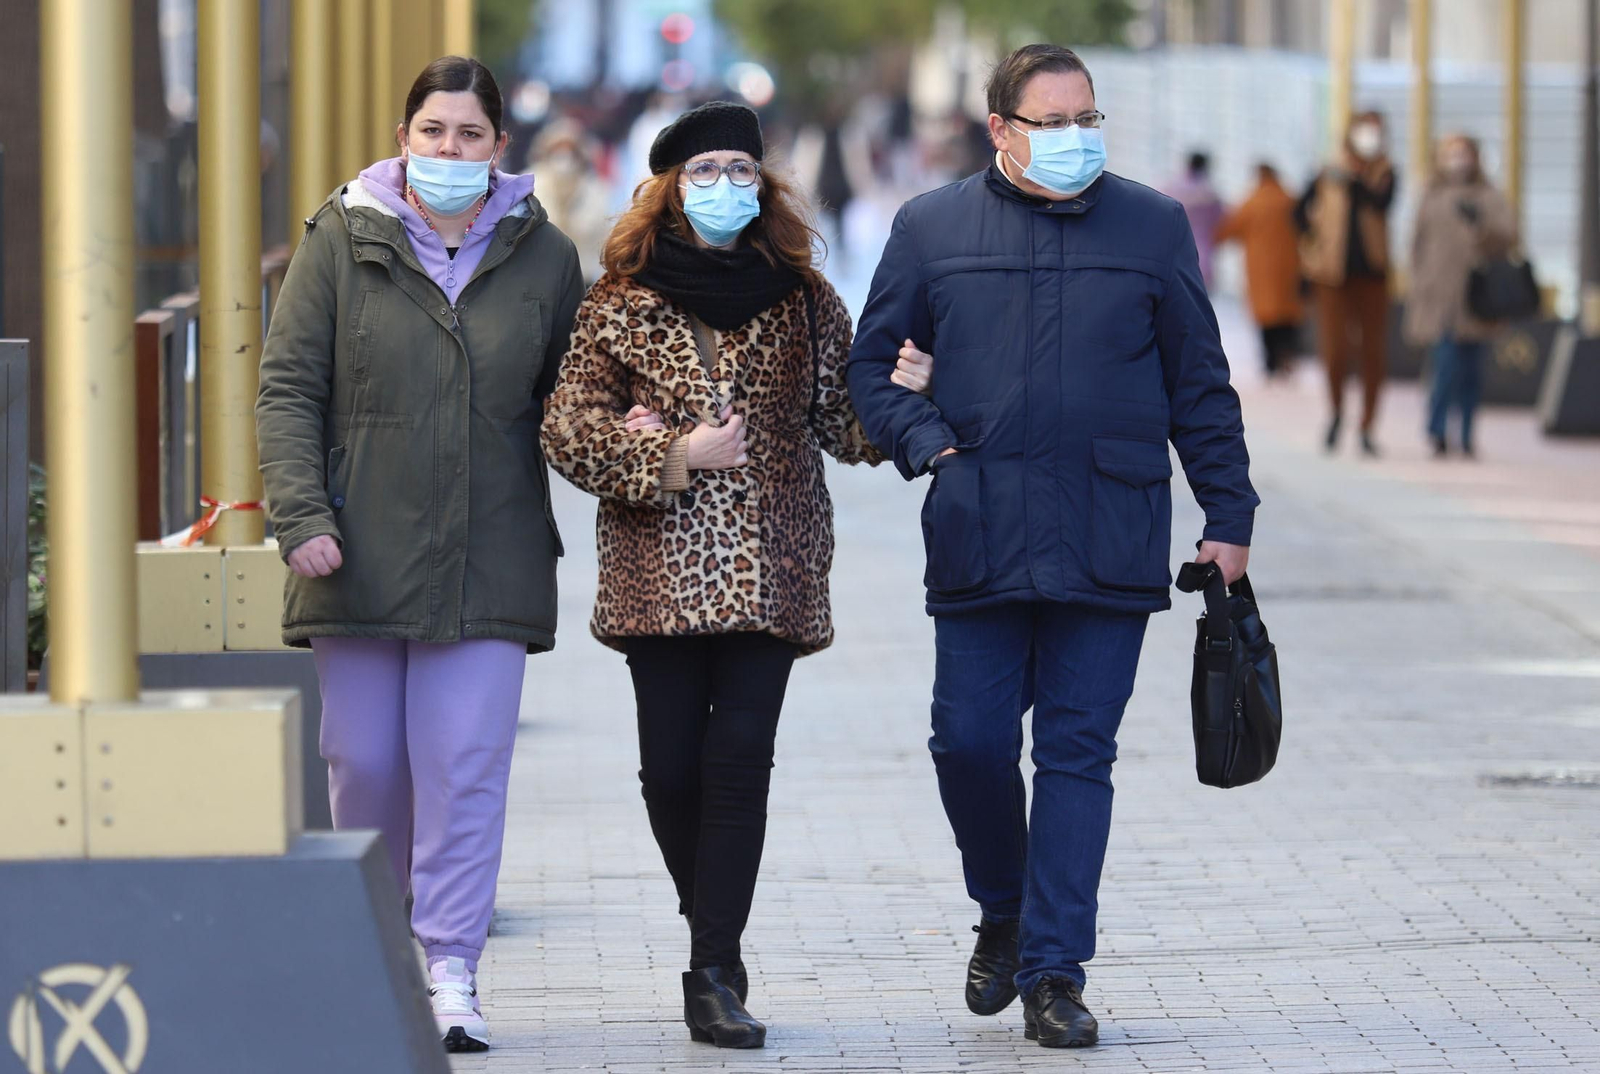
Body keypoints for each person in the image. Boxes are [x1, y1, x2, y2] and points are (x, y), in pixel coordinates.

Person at [847, 45, 1258, 1050]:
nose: (1076, 137)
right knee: (971, 741)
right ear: (999, 129)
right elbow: (868, 368)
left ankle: (1054, 973)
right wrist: (928, 445)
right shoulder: (931, 228)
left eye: (1087, 118)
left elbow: (1200, 384)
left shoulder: (1152, 226)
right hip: (979, 526)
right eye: (1052, 120)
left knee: (1078, 753)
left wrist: (1228, 517)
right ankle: (1003, 906)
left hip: (1109, 530)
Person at [540, 101, 931, 1050]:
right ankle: (711, 922)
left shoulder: (802, 298)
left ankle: (713, 966)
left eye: (741, 170)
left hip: (773, 566)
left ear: (767, 184)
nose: (726, 186)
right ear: (670, 187)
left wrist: (904, 392)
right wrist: (674, 453)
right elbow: (565, 427)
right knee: (668, 772)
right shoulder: (617, 300)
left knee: (735, 770)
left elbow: (846, 423)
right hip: (656, 572)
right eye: (705, 170)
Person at [255, 56, 582, 1054]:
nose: (450, 150)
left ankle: (449, 965)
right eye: (433, 131)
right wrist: (301, 511)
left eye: (469, 135)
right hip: (353, 550)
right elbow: (286, 385)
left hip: (490, 555)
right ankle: (381, 948)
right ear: (407, 137)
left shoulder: (544, 255)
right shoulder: (339, 239)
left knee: (465, 765)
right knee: (366, 766)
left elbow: (576, 401)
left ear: (498, 147)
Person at [1404, 136, 1518, 458]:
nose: (1457, 160)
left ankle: (1467, 434)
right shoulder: (1432, 195)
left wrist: (1480, 225)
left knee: (1472, 372)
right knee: (1445, 366)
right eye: (1451, 154)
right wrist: (1420, 282)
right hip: (1440, 297)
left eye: (1463, 153)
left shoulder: (1489, 196)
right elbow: (1417, 243)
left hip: (1477, 298)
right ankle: (1437, 429)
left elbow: (1508, 237)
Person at [1296, 111, 1398, 455]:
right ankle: (1337, 412)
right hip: (1331, 276)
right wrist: (1313, 246)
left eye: (1376, 131)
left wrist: (1357, 181)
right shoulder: (1328, 171)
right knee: (1335, 349)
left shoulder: (1385, 172)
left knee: (1372, 352)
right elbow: (1298, 212)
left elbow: (1381, 203)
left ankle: (1368, 425)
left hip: (1372, 275)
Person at [1215, 163, 1306, 378]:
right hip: (1289, 267)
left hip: (1260, 270)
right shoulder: (1290, 201)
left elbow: (1227, 230)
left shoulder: (1251, 203)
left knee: (1266, 317)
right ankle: (1287, 356)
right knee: (1286, 316)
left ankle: (1270, 363)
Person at [526, 116, 613, 285]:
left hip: (581, 276)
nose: (564, 156)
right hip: (539, 276)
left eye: (570, 150)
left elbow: (596, 231)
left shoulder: (594, 188)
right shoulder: (531, 183)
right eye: (558, 149)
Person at [1166, 151, 1225, 289]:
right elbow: (1224, 225)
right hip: (1202, 261)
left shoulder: (1169, 189)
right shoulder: (1210, 195)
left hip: (1171, 259)